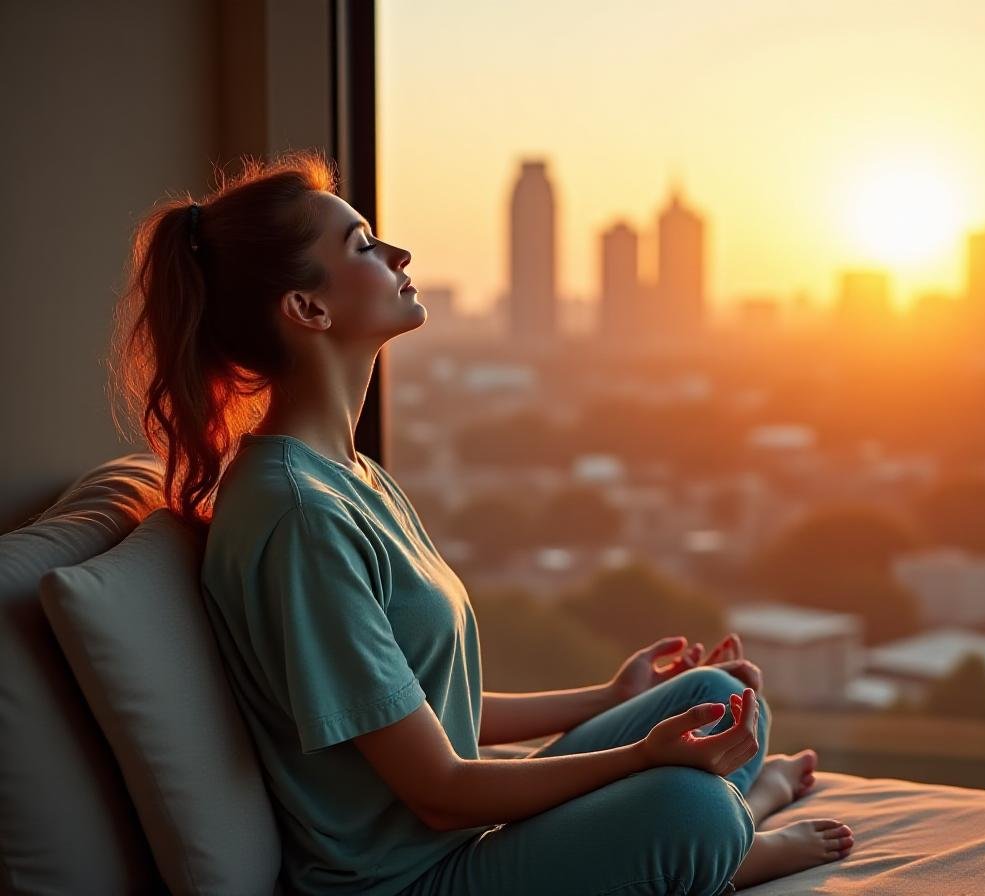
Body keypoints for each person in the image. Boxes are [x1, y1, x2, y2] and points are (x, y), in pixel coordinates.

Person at [110, 149, 853, 896]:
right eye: (363, 245)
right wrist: (645, 757)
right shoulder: (297, 514)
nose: (398, 253)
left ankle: (735, 821)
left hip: (463, 838)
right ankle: (742, 832)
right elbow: (438, 791)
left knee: (716, 695)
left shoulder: (350, 475)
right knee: (691, 806)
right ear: (308, 309)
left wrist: (609, 699)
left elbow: (424, 713)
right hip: (411, 881)